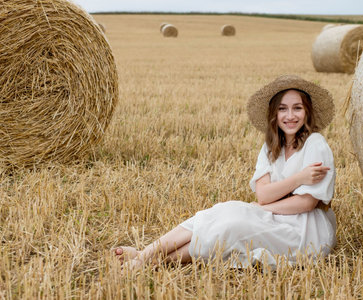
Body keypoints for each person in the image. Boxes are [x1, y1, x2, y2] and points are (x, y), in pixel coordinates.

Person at [113, 74, 337, 270]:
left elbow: (305, 204)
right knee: (220, 214)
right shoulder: (270, 147)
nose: (290, 115)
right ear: (274, 115)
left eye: (297, 108)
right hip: (272, 216)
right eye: (282, 109)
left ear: (307, 112)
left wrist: (260, 209)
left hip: (303, 232)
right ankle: (146, 256)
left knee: (231, 225)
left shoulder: (315, 144)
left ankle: (146, 259)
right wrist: (298, 178)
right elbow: (263, 195)